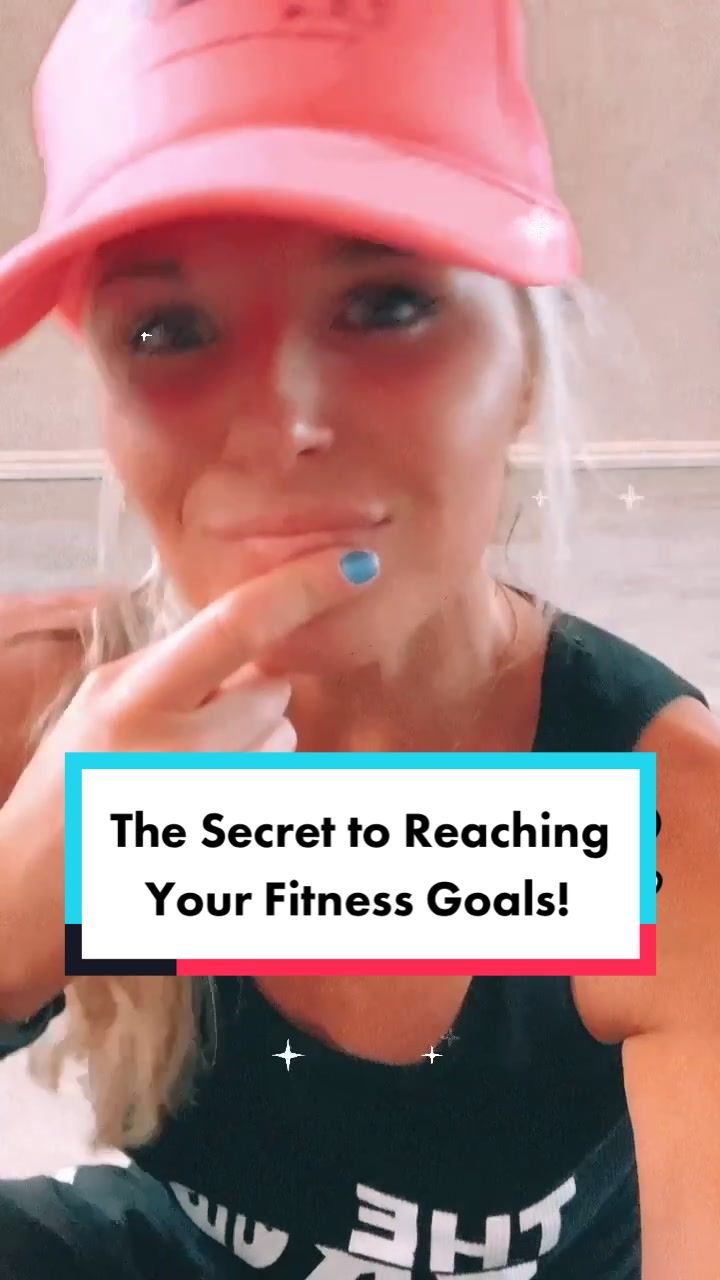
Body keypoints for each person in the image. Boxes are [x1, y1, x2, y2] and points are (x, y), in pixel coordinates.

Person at [0, 1, 718, 1277]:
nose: (285, 422)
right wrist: (13, 911)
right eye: (170, 329)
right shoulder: (42, 709)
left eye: (384, 304)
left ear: (524, 365)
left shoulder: (659, 820)